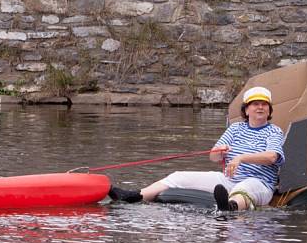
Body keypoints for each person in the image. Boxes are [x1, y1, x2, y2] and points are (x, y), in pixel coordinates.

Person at [109, 86, 285, 211]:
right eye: (255, 104)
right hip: (228, 180)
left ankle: (229, 208)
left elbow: (271, 157)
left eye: (264, 104)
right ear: (246, 110)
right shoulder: (235, 128)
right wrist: (218, 152)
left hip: (259, 183)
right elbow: (213, 158)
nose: (260, 107)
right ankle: (135, 195)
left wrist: (241, 158)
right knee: (179, 176)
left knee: (246, 187)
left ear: (269, 111)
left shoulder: (274, 131)